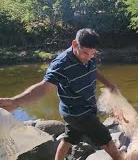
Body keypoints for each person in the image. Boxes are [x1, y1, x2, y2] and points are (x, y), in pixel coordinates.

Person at [0, 28, 124, 160]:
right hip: (78, 113)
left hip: (78, 109)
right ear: (74, 44)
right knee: (106, 140)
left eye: (92, 54)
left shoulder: (89, 57)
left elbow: (93, 70)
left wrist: (109, 85)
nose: (88, 57)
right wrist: (15, 101)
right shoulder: (61, 64)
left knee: (70, 138)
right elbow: (44, 87)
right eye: (85, 53)